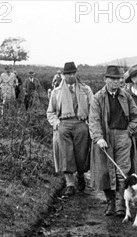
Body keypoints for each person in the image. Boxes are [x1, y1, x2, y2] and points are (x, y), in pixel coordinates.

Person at [89, 65, 137, 216]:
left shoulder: (126, 96)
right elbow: (94, 120)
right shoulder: (98, 98)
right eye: (112, 79)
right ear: (105, 79)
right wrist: (98, 138)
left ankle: (120, 203)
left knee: (122, 170)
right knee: (105, 172)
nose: (115, 82)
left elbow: (136, 117)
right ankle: (110, 203)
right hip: (105, 137)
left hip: (122, 137)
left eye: (118, 79)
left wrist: (128, 131)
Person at [47, 61, 94, 196]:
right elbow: (50, 112)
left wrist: (90, 124)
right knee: (65, 155)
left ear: (76, 73)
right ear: (63, 75)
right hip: (64, 124)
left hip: (80, 123)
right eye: (67, 74)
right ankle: (70, 184)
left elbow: (93, 109)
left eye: (73, 73)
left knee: (81, 154)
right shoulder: (57, 91)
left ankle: (80, 175)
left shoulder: (86, 90)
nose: (70, 76)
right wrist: (57, 124)